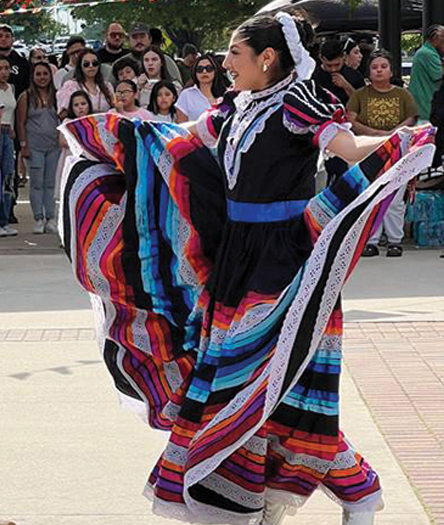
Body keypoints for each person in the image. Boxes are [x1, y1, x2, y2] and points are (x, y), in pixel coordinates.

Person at [60, 11, 436, 525]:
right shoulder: (235, 107)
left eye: (235, 53)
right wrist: (118, 137)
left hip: (286, 260)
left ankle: (342, 496)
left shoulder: (300, 105)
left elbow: (349, 149)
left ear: (267, 57)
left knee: (264, 380)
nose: (226, 63)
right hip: (236, 257)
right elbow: (182, 138)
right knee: (260, 384)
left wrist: (404, 142)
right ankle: (343, 493)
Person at [348, 50, 419, 258]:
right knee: (370, 196)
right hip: (368, 150)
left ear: (391, 71)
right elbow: (351, 119)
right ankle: (371, 240)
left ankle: (395, 241)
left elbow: (412, 117)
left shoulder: (402, 94)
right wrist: (375, 133)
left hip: (397, 150)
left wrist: (394, 132)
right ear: (368, 72)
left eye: (383, 66)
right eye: (375, 67)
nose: (379, 70)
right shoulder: (359, 95)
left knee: (394, 198)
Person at [18, 62, 61, 234]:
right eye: (38, 74)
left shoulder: (57, 95)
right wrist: (23, 145)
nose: (42, 77)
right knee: (36, 184)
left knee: (50, 184)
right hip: (34, 146)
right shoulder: (26, 96)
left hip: (54, 146)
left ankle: (51, 218)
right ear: (33, 76)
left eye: (45, 74)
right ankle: (38, 218)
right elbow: (20, 123)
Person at [0, 56, 18, 237]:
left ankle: (5, 219)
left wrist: (13, 129)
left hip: (8, 134)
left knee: (8, 176)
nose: (3, 72)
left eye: (6, 68)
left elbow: (12, 111)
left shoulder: (11, 88)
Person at [57, 48, 113, 116]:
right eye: (86, 64)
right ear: (80, 66)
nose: (91, 66)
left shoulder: (107, 86)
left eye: (94, 63)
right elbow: (63, 114)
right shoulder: (70, 86)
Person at [0, 24, 31, 96]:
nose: (3, 39)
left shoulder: (22, 62)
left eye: (7, 36)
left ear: (13, 40)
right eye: (0, 36)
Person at [408, 25, 444, 122]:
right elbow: (439, 76)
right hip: (426, 105)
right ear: (435, 38)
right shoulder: (427, 54)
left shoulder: (426, 52)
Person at [312, 39, 364, 105]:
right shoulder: (314, 77)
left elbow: (364, 104)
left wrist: (347, 86)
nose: (333, 69)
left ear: (344, 56)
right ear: (321, 58)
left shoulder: (355, 76)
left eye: (337, 65)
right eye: (329, 65)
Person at [176, 53, 227, 121]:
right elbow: (181, 125)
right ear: (195, 72)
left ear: (215, 71)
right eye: (200, 69)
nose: (204, 72)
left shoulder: (226, 94)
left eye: (209, 68)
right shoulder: (186, 95)